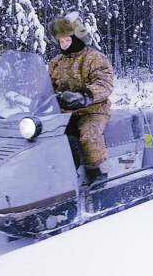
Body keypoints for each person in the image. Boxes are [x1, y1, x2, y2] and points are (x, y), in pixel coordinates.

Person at [48, 12, 114, 183]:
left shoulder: (94, 58)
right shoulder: (55, 63)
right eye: (61, 41)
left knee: (88, 134)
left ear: (77, 38)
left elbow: (104, 83)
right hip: (64, 112)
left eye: (67, 40)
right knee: (45, 135)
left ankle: (97, 174)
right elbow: (46, 86)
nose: (64, 44)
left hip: (93, 110)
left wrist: (84, 96)